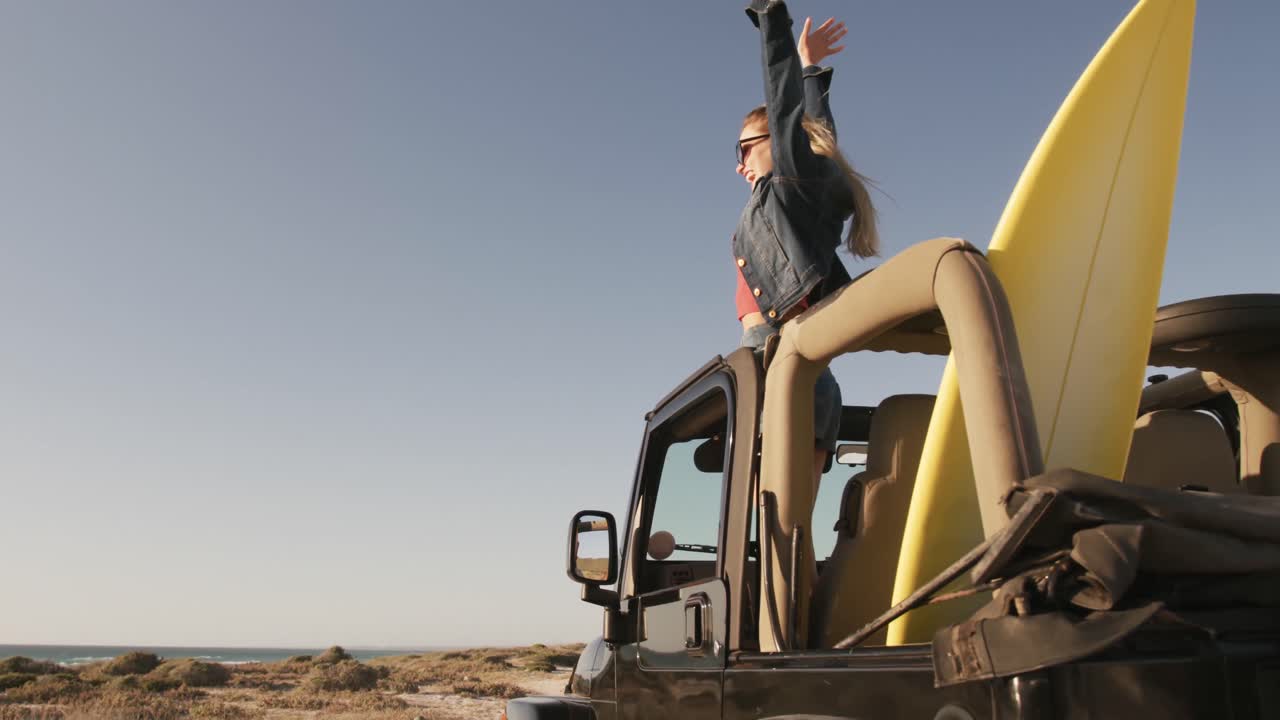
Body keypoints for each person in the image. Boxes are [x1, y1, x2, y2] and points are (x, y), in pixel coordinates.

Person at [734, 1, 880, 484]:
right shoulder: (801, 193)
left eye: (744, 148)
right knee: (788, 516)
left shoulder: (792, 183)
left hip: (776, 358)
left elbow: (785, 102)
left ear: (777, 139)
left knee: (770, 506)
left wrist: (772, 17)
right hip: (801, 368)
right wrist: (812, 67)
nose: (739, 164)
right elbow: (820, 134)